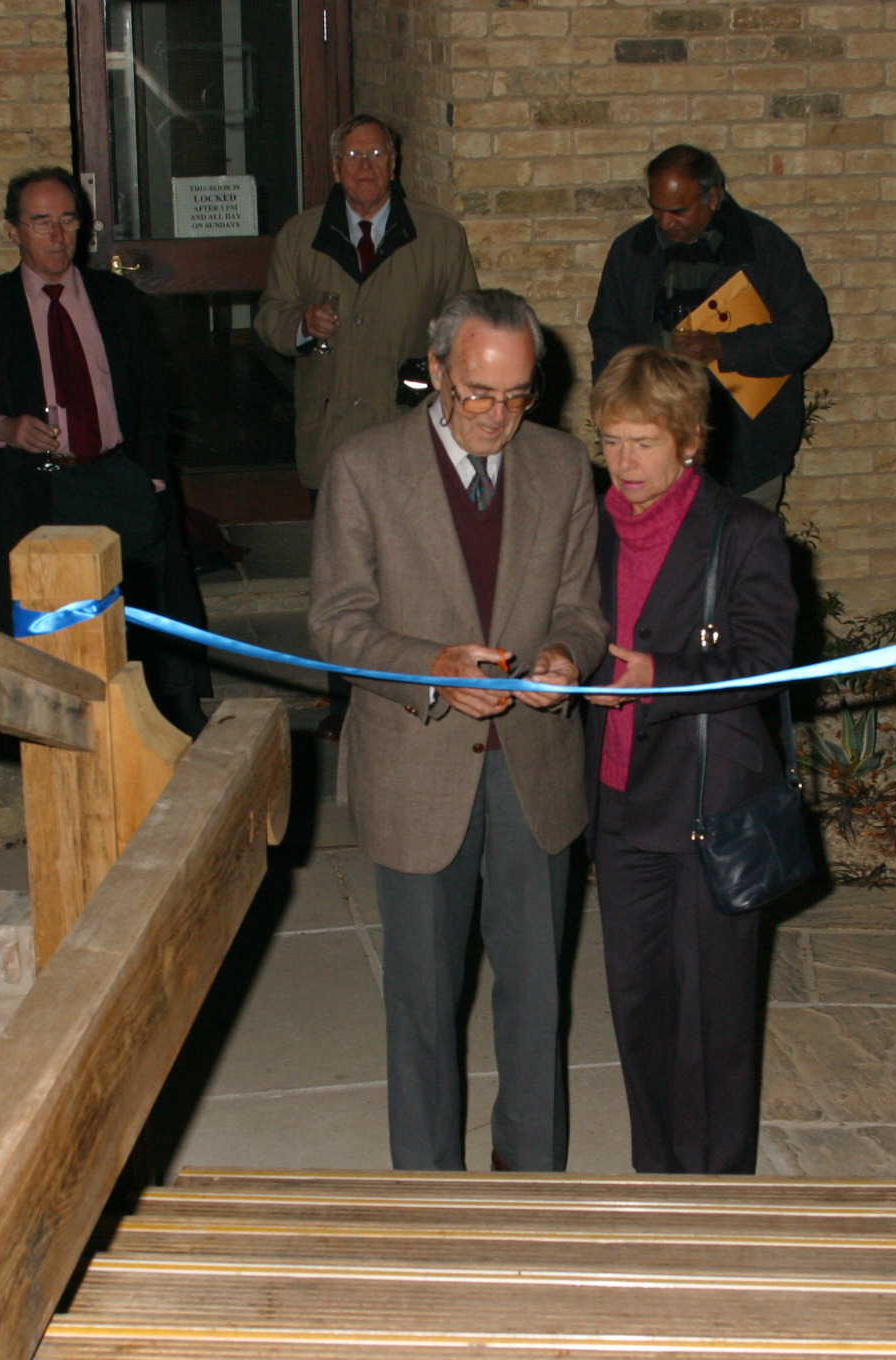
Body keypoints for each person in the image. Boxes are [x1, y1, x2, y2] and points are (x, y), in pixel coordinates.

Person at [308, 288, 607, 1172]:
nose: (497, 416)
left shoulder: (561, 465)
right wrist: (428, 669)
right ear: (436, 371)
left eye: (518, 396)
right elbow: (335, 621)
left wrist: (563, 656)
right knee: (423, 1008)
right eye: (478, 392)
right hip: (416, 767)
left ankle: (534, 1194)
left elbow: (583, 609)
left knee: (535, 1000)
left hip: (534, 769)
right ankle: (429, 1200)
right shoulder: (365, 468)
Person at [581, 345, 795, 1174]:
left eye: (643, 442)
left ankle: (721, 1191)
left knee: (713, 1015)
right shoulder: (589, 526)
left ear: (689, 440)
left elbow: (771, 662)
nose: (624, 463)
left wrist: (657, 675)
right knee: (638, 1003)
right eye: (610, 441)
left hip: (708, 803)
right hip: (618, 796)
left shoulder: (743, 532)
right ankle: (659, 1175)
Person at [0, 166, 210, 735]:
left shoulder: (119, 302)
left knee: (146, 616)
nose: (57, 235)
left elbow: (156, 396)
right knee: (52, 625)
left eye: (68, 220)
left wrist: (151, 477)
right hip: (32, 491)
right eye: (41, 222)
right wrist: (5, 427)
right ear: (13, 231)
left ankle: (158, 727)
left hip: (117, 479)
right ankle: (54, 729)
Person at [587, 145, 832, 511]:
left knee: (743, 561)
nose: (665, 222)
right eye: (656, 209)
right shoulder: (632, 251)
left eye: (678, 211)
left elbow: (810, 330)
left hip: (745, 455)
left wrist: (724, 348)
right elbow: (607, 338)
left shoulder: (764, 247)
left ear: (713, 197)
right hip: (654, 454)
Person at [257, 114, 480, 492]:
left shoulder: (440, 236)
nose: (365, 164)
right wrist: (302, 324)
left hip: (412, 430)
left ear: (393, 165)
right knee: (338, 546)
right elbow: (270, 316)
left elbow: (469, 326)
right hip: (331, 433)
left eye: (376, 153)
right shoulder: (299, 236)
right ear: (335, 168)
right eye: (354, 154)